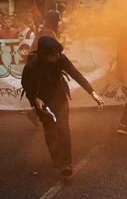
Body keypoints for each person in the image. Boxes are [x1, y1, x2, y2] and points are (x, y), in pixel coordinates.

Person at [21, 36, 105, 178]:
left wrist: (92, 92)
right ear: (44, 55)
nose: (57, 56)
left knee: (64, 129)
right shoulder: (32, 66)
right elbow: (26, 84)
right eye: (54, 54)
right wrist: (35, 99)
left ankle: (66, 164)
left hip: (60, 98)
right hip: (43, 101)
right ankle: (55, 157)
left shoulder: (60, 58)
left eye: (58, 53)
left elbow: (76, 74)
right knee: (50, 130)